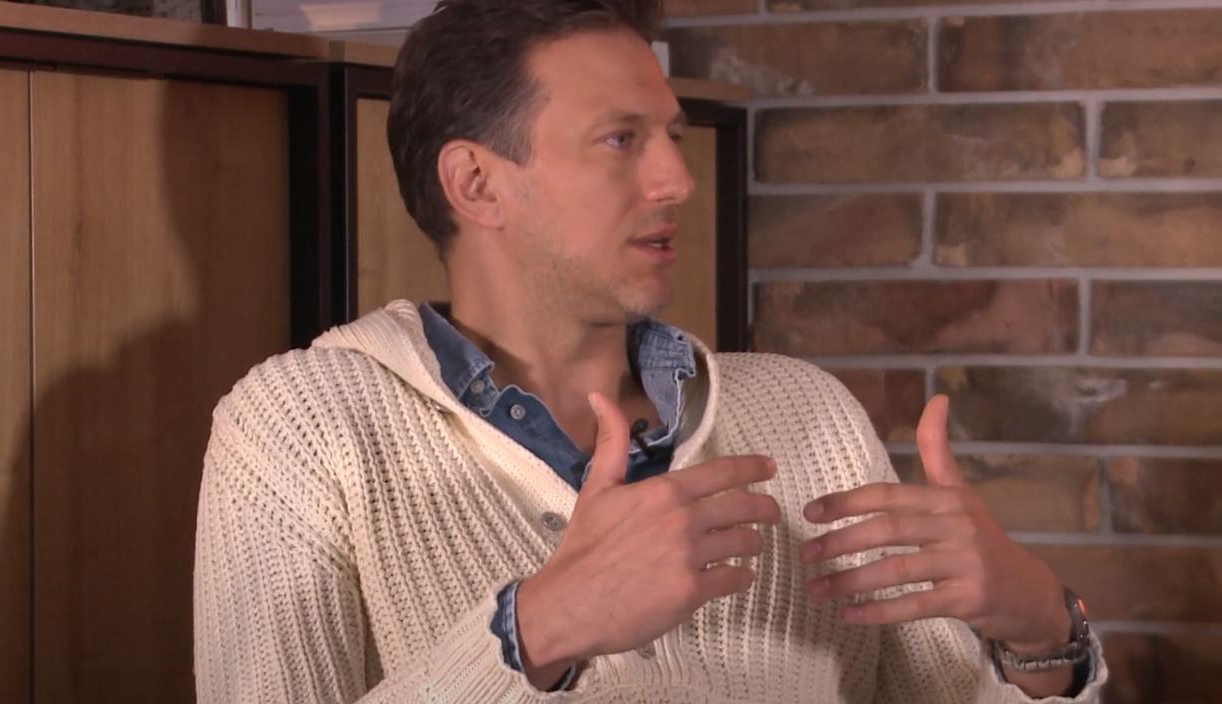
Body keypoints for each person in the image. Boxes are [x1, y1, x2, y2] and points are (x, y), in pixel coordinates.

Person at [192, 1, 1107, 701]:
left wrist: (1040, 634)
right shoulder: (302, 428)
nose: (676, 179)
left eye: (670, 135)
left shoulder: (807, 415)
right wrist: (534, 633)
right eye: (620, 140)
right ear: (476, 183)